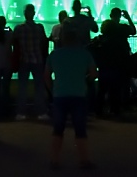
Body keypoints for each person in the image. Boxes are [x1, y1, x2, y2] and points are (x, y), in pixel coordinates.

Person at [45, 26, 97, 170]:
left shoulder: (54, 54)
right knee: (80, 129)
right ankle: (84, 160)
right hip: (79, 94)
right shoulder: (84, 54)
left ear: (62, 40)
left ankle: (54, 160)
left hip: (59, 95)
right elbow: (94, 74)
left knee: (58, 129)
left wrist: (52, 90)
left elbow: (46, 75)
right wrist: (85, 81)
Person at [95, 7, 136, 117]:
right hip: (119, 63)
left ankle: (99, 110)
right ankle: (116, 109)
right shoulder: (122, 29)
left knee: (102, 88)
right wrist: (128, 18)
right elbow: (133, 31)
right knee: (116, 87)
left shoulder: (103, 37)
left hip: (105, 64)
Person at [13, 3, 49, 120]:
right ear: (34, 13)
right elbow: (44, 43)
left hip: (23, 60)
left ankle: (21, 112)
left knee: (22, 87)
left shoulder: (19, 28)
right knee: (39, 87)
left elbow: (15, 44)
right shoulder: (39, 28)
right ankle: (41, 112)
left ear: (24, 14)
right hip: (37, 60)